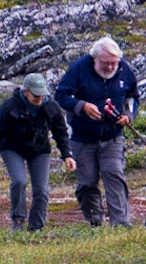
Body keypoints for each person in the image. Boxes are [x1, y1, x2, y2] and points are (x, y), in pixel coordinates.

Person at [54, 36, 140, 227]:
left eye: (114, 63)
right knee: (87, 181)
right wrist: (82, 106)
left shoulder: (124, 69)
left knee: (114, 172)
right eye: (106, 63)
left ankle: (121, 224)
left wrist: (128, 115)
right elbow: (61, 95)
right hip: (81, 136)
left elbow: (133, 96)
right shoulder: (78, 68)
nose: (111, 68)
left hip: (113, 135)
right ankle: (95, 221)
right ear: (95, 59)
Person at [0, 73, 76, 231]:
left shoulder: (52, 107)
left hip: (39, 149)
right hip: (12, 148)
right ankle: (18, 221)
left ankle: (36, 227)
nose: (39, 99)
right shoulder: (9, 107)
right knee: (19, 181)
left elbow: (61, 133)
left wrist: (67, 155)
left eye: (42, 95)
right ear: (25, 92)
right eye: (35, 96)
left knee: (41, 189)